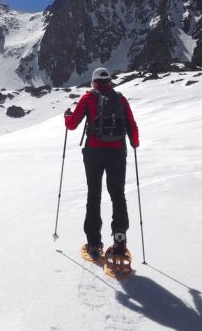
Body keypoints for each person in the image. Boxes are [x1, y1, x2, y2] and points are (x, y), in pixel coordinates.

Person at [64, 67, 139, 260]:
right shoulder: (120, 99)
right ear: (110, 81)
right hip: (117, 152)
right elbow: (132, 125)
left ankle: (94, 243)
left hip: (94, 153)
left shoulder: (88, 98)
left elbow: (72, 125)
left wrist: (66, 117)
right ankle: (120, 240)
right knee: (118, 195)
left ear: (94, 81)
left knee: (94, 194)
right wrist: (134, 142)